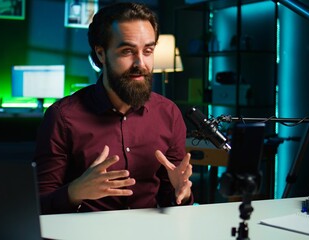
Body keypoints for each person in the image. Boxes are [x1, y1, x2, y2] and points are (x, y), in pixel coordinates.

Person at [35, 2, 193, 214]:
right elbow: (38, 203)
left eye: (148, 51)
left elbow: (173, 201)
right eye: (127, 51)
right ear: (101, 54)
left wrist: (181, 193)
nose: (141, 63)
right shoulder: (62, 117)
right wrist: (74, 192)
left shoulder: (168, 113)